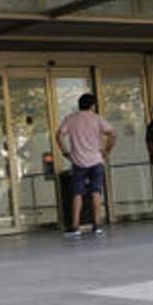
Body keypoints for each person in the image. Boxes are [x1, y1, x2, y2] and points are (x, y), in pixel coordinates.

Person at [57, 93, 116, 238]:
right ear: (92, 105)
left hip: (78, 162)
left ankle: (75, 226)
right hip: (96, 160)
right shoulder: (97, 119)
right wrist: (107, 150)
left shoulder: (70, 119)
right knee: (96, 192)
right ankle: (97, 225)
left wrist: (65, 152)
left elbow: (59, 135)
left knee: (77, 194)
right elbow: (112, 133)